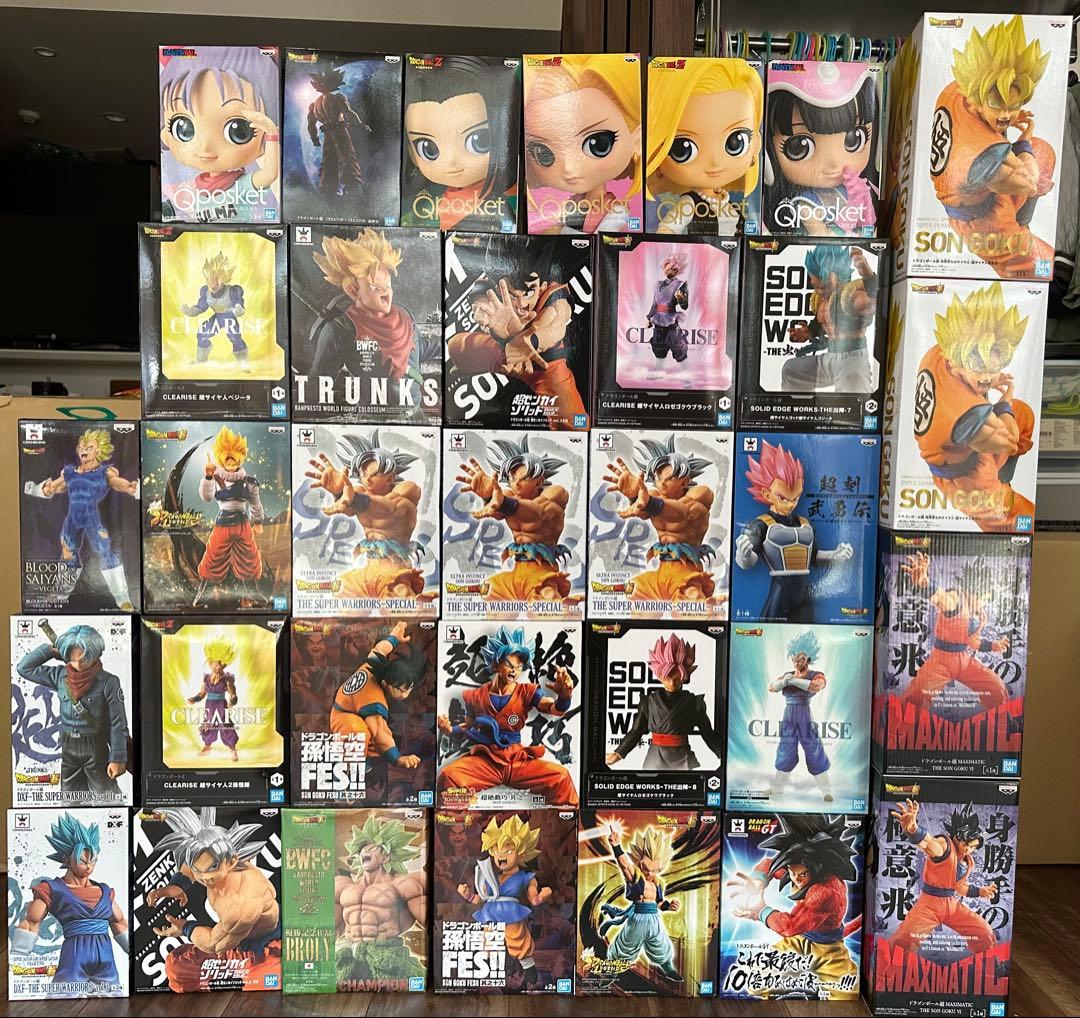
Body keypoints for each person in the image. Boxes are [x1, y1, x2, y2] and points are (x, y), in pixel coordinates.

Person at [931, 16, 1054, 278]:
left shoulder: (957, 91)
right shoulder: (984, 152)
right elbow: (1029, 183)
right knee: (1048, 268)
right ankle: (1016, 242)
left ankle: (1021, 227)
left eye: (1014, 105)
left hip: (989, 192)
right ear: (977, 96)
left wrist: (1001, 119)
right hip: (983, 223)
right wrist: (1024, 139)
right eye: (997, 105)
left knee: (1044, 151)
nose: (1006, 114)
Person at [913, 281, 1035, 530]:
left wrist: (983, 378)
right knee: (1018, 520)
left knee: (1023, 413)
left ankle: (1002, 477)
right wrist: (1004, 403)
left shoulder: (941, 352)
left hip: (967, 445)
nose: (987, 377)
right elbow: (1009, 441)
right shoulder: (967, 414)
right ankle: (998, 497)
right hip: (965, 478)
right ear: (957, 361)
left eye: (993, 367)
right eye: (980, 368)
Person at [437, 625, 578, 806]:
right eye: (509, 665)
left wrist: (564, 697)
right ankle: (458, 821)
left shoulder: (527, 691)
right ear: (495, 664)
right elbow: (468, 726)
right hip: (486, 761)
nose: (514, 671)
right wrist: (449, 730)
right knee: (449, 776)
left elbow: (553, 709)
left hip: (517, 761)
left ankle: (563, 820)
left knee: (561, 777)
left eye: (519, 667)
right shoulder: (475, 696)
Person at [725, 814, 861, 999]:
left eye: (802, 874)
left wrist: (761, 911)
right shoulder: (797, 865)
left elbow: (790, 926)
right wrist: (759, 881)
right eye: (791, 871)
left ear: (818, 868)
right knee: (756, 982)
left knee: (846, 995)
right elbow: (768, 864)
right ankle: (788, 989)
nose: (796, 879)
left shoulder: (825, 892)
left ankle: (810, 989)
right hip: (798, 940)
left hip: (828, 949)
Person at [147, 807, 280, 992]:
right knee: (176, 968)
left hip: (265, 948)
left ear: (232, 861)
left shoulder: (242, 898)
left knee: (263, 985)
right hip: (233, 941)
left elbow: (214, 945)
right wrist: (177, 885)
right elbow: (196, 861)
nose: (205, 877)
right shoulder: (213, 858)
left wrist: (185, 928)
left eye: (213, 867)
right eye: (198, 870)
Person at [447, 254, 587, 429]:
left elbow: (556, 325)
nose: (522, 303)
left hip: (545, 365)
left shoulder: (556, 300)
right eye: (513, 295)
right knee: (455, 347)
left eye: (529, 293)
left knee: (577, 426)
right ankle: (473, 366)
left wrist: (531, 341)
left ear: (542, 287)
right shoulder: (493, 288)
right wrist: (481, 308)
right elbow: (480, 297)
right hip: (506, 352)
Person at [735, 439, 854, 621]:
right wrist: (743, 554)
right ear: (767, 494)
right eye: (783, 498)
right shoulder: (761, 524)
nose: (791, 504)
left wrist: (835, 556)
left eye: (796, 498)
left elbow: (813, 558)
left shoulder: (804, 523)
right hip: (781, 590)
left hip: (805, 593)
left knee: (807, 632)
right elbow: (748, 562)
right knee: (771, 632)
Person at [159, 46, 280, 222]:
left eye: (238, 130)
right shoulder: (191, 191)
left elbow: (269, 174)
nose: (206, 148)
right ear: (165, 133)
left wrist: (271, 134)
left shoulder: (241, 186)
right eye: (182, 128)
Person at [524, 54, 642, 233]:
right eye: (543, 152)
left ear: (637, 140)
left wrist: (560, 232)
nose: (569, 168)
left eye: (598, 145)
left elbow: (603, 238)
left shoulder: (618, 209)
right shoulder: (571, 202)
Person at [303, 430, 427, 601]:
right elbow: (349, 508)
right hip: (367, 571)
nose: (367, 479)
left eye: (375, 474)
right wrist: (339, 493)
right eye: (363, 474)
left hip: (395, 572)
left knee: (402, 605)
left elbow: (389, 508)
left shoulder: (407, 490)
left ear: (390, 478)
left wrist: (353, 498)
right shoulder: (360, 491)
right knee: (340, 594)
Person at [24, 427, 138, 610]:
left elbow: (121, 484)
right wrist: (34, 489)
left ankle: (122, 598)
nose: (84, 450)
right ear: (77, 450)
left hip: (91, 517)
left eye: (89, 447)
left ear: (98, 450)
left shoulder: (105, 472)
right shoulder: (70, 473)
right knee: (68, 552)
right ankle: (61, 594)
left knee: (105, 551)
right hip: (73, 519)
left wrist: (134, 489)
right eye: (82, 447)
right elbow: (52, 488)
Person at [646, 58, 763, 234]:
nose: (715, 161)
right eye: (683, 149)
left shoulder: (730, 203)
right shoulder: (689, 203)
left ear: (756, 144)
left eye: (736, 143)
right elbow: (665, 230)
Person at [10, 813, 128, 988]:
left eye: (93, 860)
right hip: (74, 955)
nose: (89, 866)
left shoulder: (104, 891)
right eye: (82, 860)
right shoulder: (52, 889)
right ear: (67, 860)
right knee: (63, 994)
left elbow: (119, 922)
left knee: (113, 996)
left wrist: (135, 952)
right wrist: (18, 959)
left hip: (106, 958)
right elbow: (31, 922)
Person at [401, 55, 516, 230]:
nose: (451, 162)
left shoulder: (511, 199)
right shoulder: (421, 204)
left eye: (479, 141)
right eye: (429, 149)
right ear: (412, 153)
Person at [764, 62, 878, 236]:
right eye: (799, 147)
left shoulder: (848, 191)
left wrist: (863, 204)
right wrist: (848, 221)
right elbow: (821, 234)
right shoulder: (806, 203)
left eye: (854, 140)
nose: (834, 165)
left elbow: (867, 225)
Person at [455, 436, 572, 604]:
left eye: (523, 478)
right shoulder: (508, 495)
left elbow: (537, 513)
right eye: (512, 478)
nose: (516, 483)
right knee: (486, 592)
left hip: (542, 574)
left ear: (539, 480)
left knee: (549, 602)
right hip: (516, 574)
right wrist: (488, 497)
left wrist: (502, 502)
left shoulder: (555, 494)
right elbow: (497, 511)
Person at [16, 622, 128, 799]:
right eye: (72, 658)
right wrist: (50, 650)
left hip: (95, 746)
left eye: (83, 659)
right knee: (70, 799)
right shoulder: (60, 676)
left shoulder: (108, 682)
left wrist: (118, 758)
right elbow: (24, 668)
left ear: (95, 654)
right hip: (68, 747)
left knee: (106, 797)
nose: (77, 665)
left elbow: (118, 722)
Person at [604, 435, 719, 603]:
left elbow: (683, 512)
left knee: (693, 602)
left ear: (684, 481)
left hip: (687, 575)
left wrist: (647, 502)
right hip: (660, 574)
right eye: (658, 478)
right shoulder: (654, 496)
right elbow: (643, 511)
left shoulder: (701, 494)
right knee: (630, 592)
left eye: (669, 478)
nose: (661, 483)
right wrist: (634, 496)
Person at [898, 552, 1010, 711]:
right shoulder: (956, 599)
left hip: (964, 661)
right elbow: (941, 599)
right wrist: (925, 583)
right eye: (983, 598)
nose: (983, 603)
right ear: (973, 591)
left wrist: (993, 645)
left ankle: (998, 722)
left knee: (997, 688)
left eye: (986, 600)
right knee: (916, 698)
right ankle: (902, 726)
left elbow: (972, 641)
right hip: (941, 661)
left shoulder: (979, 615)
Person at [888, 799, 999, 957]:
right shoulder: (944, 845)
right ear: (957, 837)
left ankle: (990, 966)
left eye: (973, 846)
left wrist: (981, 891)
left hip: (951, 905)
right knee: (905, 939)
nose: (968, 848)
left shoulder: (968, 861)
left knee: (983, 932)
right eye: (965, 843)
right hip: (928, 905)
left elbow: (959, 887)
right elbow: (929, 844)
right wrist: (914, 830)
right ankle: (892, 969)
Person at [456, 815, 551, 986]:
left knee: (518, 940)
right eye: (496, 851)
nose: (501, 855)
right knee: (488, 943)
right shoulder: (491, 877)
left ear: (521, 854)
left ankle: (529, 969)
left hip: (511, 913)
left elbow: (533, 899)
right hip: (490, 913)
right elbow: (479, 899)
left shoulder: (525, 877)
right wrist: (467, 895)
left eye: (508, 851)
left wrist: (542, 896)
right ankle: (486, 970)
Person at [605, 633, 723, 770]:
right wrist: (618, 753)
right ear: (660, 676)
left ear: (684, 677)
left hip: (682, 757)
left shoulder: (694, 703)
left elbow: (707, 733)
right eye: (668, 677)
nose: (672, 682)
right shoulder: (648, 702)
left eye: (676, 678)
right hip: (656, 757)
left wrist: (723, 754)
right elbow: (635, 732)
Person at [335, 814, 426, 985]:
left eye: (372, 848)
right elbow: (328, 929)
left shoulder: (402, 884)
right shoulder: (343, 886)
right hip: (348, 955)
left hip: (386, 955)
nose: (365, 852)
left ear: (386, 857)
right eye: (362, 849)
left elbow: (431, 922)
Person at [780, 245, 878, 394]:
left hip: (852, 360)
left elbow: (876, 301)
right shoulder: (822, 301)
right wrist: (808, 332)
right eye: (816, 286)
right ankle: (799, 408)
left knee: (851, 404)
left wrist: (868, 275)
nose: (820, 291)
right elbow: (821, 324)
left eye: (824, 286)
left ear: (838, 276)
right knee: (791, 370)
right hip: (829, 358)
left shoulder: (851, 296)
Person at [330, 621, 426, 769]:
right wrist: (398, 759)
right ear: (386, 684)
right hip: (343, 715)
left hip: (356, 709)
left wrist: (394, 638)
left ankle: (365, 754)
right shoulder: (374, 700)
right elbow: (380, 733)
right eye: (399, 689)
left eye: (408, 689)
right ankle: (346, 769)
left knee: (377, 738)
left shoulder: (374, 662)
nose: (404, 695)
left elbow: (381, 648)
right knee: (359, 731)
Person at [599, 824, 682, 982]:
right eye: (646, 868)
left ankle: (668, 969)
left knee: (661, 945)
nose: (650, 873)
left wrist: (669, 906)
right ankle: (612, 972)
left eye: (655, 870)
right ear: (640, 863)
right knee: (624, 947)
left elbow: (659, 903)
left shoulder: (658, 883)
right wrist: (616, 846)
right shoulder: (636, 877)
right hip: (637, 918)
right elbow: (624, 865)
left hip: (654, 919)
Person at [195, 425, 266, 607]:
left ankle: (253, 592)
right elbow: (206, 497)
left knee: (250, 558)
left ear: (241, 458)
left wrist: (258, 521)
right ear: (220, 458)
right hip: (223, 524)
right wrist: (208, 477)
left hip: (243, 524)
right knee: (213, 557)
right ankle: (204, 592)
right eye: (227, 459)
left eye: (235, 459)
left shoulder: (249, 483)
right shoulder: (215, 478)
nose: (231, 464)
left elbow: (255, 504)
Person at [765, 631, 834, 803]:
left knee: (814, 749)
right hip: (788, 715)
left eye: (801, 659)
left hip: (804, 714)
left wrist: (795, 681)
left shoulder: (815, 674)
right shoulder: (787, 674)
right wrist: (784, 682)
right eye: (794, 658)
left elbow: (817, 686)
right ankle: (777, 787)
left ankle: (826, 791)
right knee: (785, 750)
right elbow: (772, 687)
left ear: (808, 659)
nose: (796, 662)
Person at [179, 251, 249, 366]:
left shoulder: (233, 290)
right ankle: (201, 361)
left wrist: (238, 310)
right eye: (210, 281)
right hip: (217, 317)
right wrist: (190, 311)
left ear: (224, 279)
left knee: (235, 338)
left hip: (230, 317)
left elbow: (240, 307)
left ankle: (244, 363)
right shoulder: (205, 291)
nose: (213, 286)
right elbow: (201, 307)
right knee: (202, 334)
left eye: (216, 282)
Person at [307, 68, 366, 201]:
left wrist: (314, 138)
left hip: (328, 134)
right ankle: (353, 187)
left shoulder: (315, 104)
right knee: (346, 157)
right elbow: (348, 113)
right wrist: (360, 124)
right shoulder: (336, 98)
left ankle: (329, 190)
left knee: (329, 161)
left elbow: (311, 123)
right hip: (339, 131)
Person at [188, 636, 241, 762]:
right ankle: (207, 747)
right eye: (211, 662)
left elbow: (232, 691)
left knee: (226, 725)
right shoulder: (206, 677)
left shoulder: (227, 678)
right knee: (208, 724)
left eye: (215, 662)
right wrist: (195, 698)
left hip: (221, 705)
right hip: (209, 705)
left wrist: (233, 698)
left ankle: (232, 749)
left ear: (223, 664)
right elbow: (202, 693)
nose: (212, 665)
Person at [644, 253, 690, 380]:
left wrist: (681, 299)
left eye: (673, 269)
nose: (669, 271)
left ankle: (686, 373)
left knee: (677, 345)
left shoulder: (680, 284)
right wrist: (649, 318)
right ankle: (659, 372)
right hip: (658, 319)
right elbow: (654, 304)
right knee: (658, 345)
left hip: (670, 319)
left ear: (677, 270)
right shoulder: (658, 284)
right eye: (667, 268)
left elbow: (685, 306)